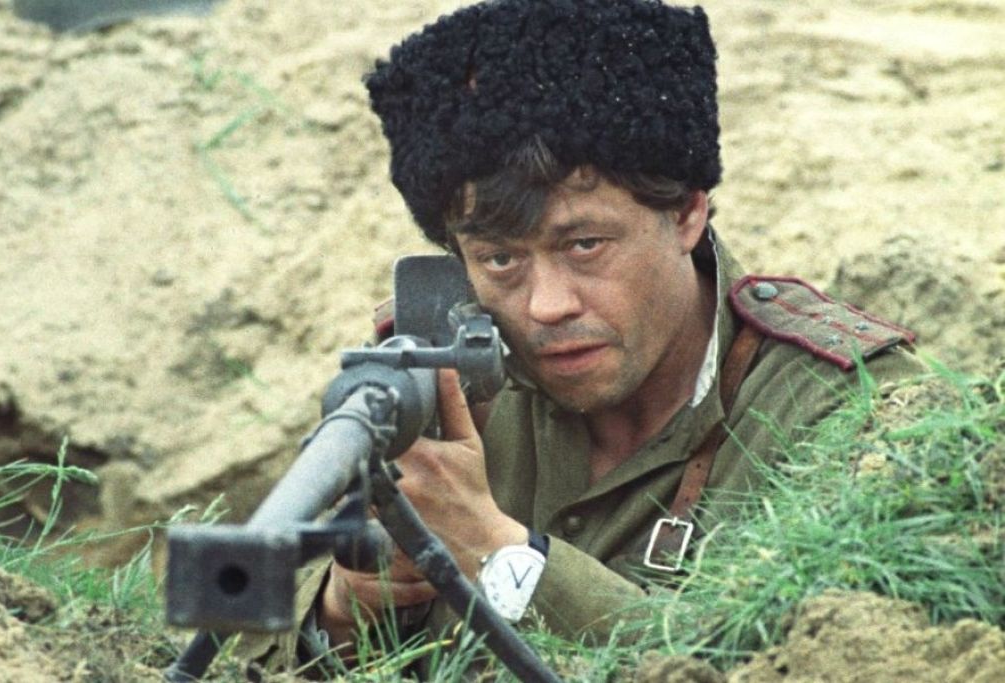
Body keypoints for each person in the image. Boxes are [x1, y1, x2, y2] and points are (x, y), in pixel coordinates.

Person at [240, 0, 922, 673]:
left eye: (585, 244)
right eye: (500, 259)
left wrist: (497, 550)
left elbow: (820, 653)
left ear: (686, 214)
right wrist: (342, 615)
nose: (547, 305)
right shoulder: (436, 388)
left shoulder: (850, 407)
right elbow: (254, 647)